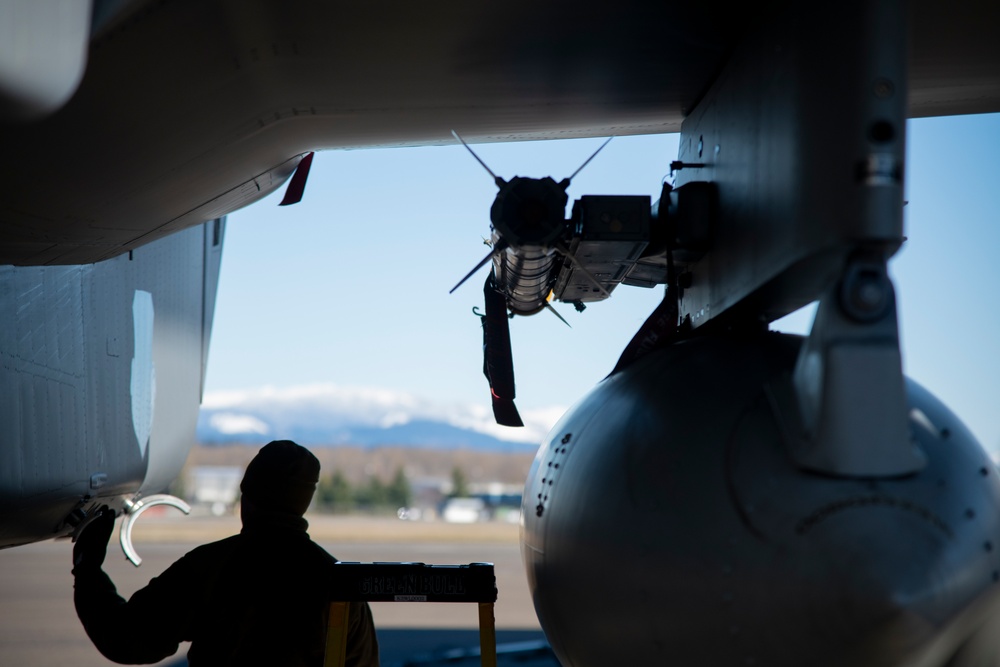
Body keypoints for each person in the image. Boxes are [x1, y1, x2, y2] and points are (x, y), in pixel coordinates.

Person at [72, 440, 380, 666]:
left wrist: (88, 570)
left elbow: (128, 640)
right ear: (304, 502)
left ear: (247, 497)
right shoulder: (339, 584)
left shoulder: (210, 567)